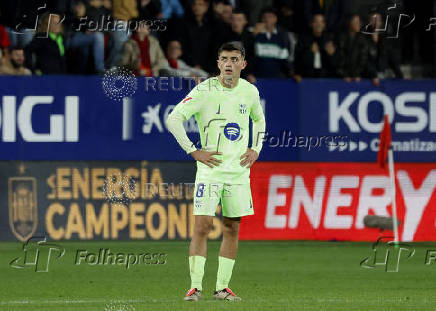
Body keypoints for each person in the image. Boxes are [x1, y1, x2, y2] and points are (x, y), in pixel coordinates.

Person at [165, 41, 266, 302]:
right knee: (203, 226)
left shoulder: (250, 92)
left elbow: (260, 120)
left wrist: (255, 148)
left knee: (232, 227)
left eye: (234, 59)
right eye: (224, 59)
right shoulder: (205, 90)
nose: (229, 63)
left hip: (239, 172)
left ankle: (222, 288)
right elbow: (173, 118)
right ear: (218, 63)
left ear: (243, 64)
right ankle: (194, 287)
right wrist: (193, 150)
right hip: (210, 171)